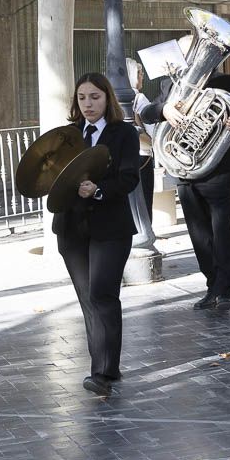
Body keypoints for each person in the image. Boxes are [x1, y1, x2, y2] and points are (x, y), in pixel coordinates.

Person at [141, 50, 230, 310]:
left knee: (222, 233)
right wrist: (164, 109)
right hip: (185, 172)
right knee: (199, 236)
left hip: (218, 170)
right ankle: (212, 285)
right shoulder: (170, 86)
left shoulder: (226, 83)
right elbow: (147, 113)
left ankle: (225, 291)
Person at [53, 73, 141, 398]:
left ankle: (101, 373)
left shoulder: (124, 134)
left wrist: (99, 190)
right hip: (72, 230)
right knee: (89, 301)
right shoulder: (67, 136)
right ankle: (108, 366)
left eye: (95, 97)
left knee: (103, 295)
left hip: (111, 229)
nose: (88, 104)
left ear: (107, 99)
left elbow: (129, 178)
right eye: (82, 98)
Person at [126, 58, 157, 222]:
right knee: (144, 205)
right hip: (142, 157)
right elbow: (154, 132)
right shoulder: (139, 98)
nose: (142, 76)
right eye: (139, 72)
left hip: (122, 157)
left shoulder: (111, 98)